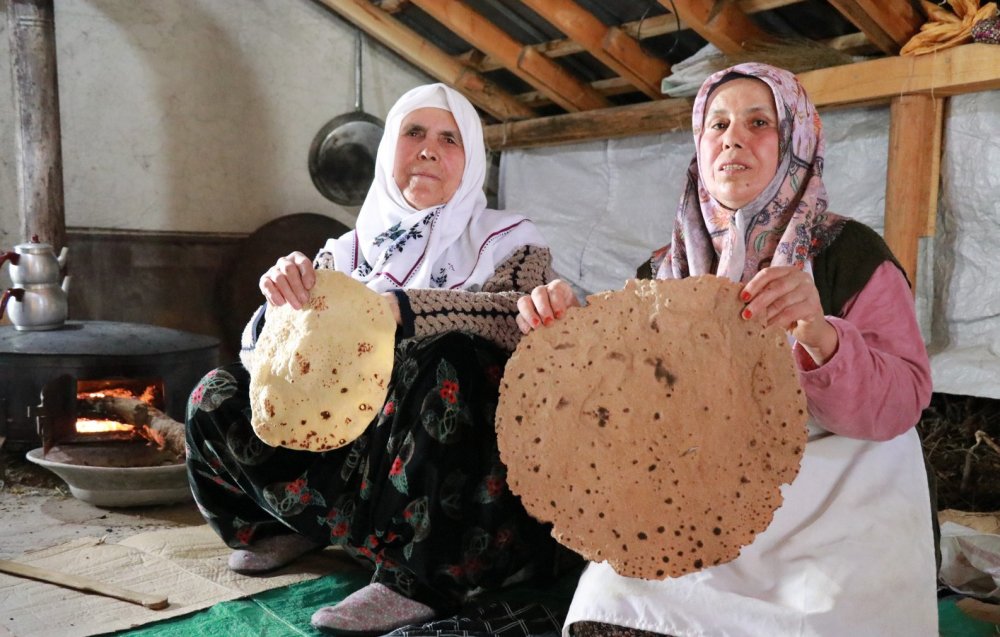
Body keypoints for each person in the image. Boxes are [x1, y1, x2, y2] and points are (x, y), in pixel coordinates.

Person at [516, 63, 937, 636]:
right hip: (705, 493)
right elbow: (637, 417)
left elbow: (903, 400)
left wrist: (820, 332)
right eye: (717, 124)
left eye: (758, 122)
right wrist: (572, 344)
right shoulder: (662, 274)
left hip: (835, 498)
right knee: (610, 604)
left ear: (796, 140)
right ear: (699, 146)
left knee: (814, 617)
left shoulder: (849, 255)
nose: (733, 138)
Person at [186, 83, 571, 636]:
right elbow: (271, 364)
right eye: (413, 132)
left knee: (448, 358)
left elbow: (518, 320)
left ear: (473, 160)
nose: (429, 149)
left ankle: (416, 578)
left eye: (449, 138)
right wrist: (279, 302)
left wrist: (406, 310)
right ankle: (278, 525)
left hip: (451, 471)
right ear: (389, 146)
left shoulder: (510, 241)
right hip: (355, 456)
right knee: (215, 392)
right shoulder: (343, 253)